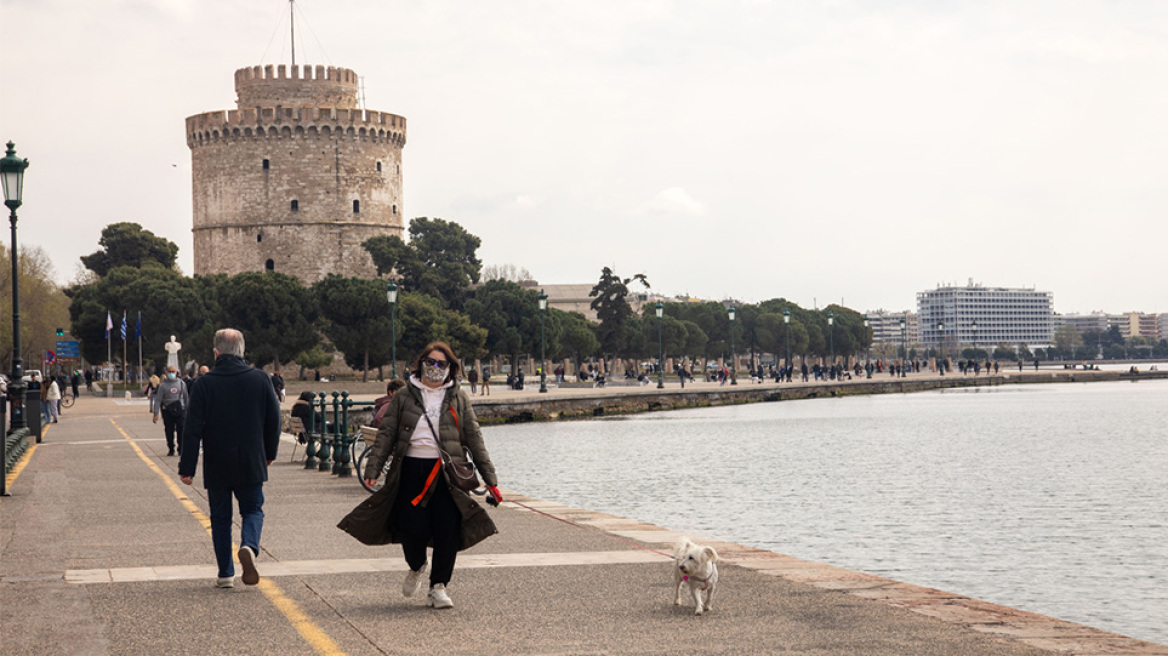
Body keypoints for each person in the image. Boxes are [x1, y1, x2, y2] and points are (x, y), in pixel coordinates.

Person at [339, 342, 501, 610]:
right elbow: (387, 434)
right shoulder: (404, 396)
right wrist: (373, 469)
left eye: (442, 364)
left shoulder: (459, 398)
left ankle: (438, 587)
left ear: (450, 369)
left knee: (447, 530)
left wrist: (490, 477)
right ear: (420, 363)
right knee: (411, 527)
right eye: (431, 362)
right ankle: (417, 565)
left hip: (447, 475)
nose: (435, 368)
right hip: (411, 470)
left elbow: (474, 438)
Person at [179, 328, 281, 589]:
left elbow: (192, 429)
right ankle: (248, 545)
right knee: (252, 509)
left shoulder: (204, 384)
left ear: (216, 353)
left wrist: (187, 467)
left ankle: (225, 573)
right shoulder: (260, 379)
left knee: (220, 518)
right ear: (243, 351)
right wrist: (269, 453)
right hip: (251, 459)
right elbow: (274, 421)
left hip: (217, 461)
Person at [153, 366, 190, 456]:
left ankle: (181, 448)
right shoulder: (163, 386)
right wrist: (155, 413)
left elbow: (186, 398)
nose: (171, 373)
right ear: (166, 372)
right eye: (169, 371)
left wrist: (188, 411)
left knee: (181, 430)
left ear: (176, 372)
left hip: (179, 410)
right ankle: (171, 448)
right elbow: (158, 400)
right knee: (169, 431)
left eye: (173, 371)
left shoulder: (181, 384)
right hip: (167, 411)